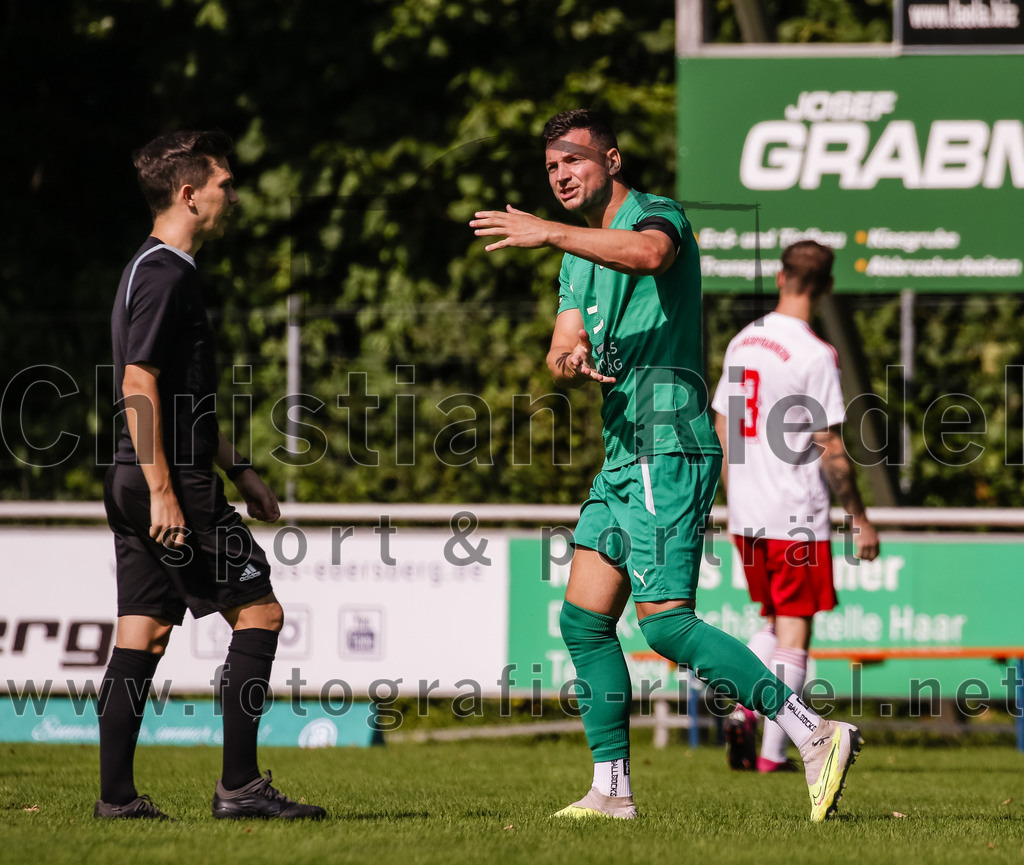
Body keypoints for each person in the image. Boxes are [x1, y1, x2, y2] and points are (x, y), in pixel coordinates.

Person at [471, 109, 862, 823]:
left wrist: (544, 228)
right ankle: (612, 790)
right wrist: (569, 356)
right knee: (585, 622)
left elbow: (649, 256)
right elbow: (564, 341)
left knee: (666, 625)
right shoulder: (576, 255)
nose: (560, 175)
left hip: (667, 442)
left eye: (574, 161)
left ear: (612, 160)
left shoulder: (660, 217)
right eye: (552, 166)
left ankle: (813, 732)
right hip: (623, 451)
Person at [96, 130, 325, 821]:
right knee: (260, 612)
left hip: (138, 475)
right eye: (225, 183)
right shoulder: (166, 273)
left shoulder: (151, 267)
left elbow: (176, 394)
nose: (233, 193)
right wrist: (166, 486)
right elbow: (138, 379)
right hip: (170, 479)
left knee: (143, 629)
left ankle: (116, 799)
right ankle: (240, 786)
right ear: (189, 194)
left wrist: (243, 469)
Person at [710, 240, 880, 773]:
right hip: (795, 515)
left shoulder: (744, 341)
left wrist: (734, 493)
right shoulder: (814, 353)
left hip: (748, 512)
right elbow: (830, 446)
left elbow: (721, 424)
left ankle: (745, 710)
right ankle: (773, 750)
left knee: (773, 619)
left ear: (781, 277)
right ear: (827, 287)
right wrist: (859, 515)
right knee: (796, 626)